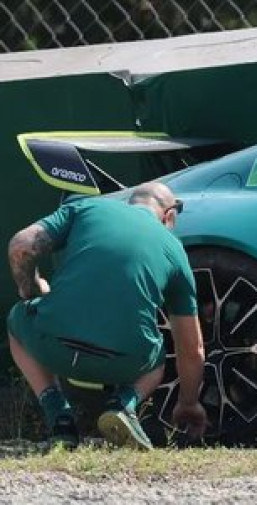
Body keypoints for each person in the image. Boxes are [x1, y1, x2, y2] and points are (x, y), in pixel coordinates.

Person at [6, 182, 208, 450]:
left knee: (16, 319)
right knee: (157, 357)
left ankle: (60, 418)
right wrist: (188, 403)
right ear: (169, 216)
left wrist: (30, 289)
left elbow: (22, 245)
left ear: (130, 204)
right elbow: (192, 349)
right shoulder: (175, 251)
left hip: (54, 348)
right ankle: (124, 404)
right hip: (125, 363)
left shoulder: (87, 208)